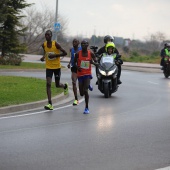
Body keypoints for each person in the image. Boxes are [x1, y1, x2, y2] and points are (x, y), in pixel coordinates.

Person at [40, 30, 68, 110]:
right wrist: (43, 57)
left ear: (51, 36)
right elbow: (45, 52)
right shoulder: (44, 44)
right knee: (48, 84)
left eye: (48, 35)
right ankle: (50, 104)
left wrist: (55, 55)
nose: (47, 36)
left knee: (57, 85)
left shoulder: (55, 44)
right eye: (45, 35)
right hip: (49, 67)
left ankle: (65, 86)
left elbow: (65, 53)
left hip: (57, 67)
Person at [74, 40, 98, 114]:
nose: (84, 45)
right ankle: (88, 85)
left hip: (87, 74)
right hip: (80, 74)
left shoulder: (90, 53)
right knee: (81, 93)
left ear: (88, 45)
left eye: (85, 44)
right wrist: (77, 67)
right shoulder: (78, 54)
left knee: (85, 90)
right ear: (81, 45)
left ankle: (86, 108)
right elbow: (74, 62)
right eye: (82, 44)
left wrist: (93, 62)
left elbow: (96, 62)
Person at [67, 39, 82, 106]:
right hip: (74, 67)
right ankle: (76, 99)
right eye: (73, 42)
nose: (74, 43)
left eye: (76, 42)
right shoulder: (72, 50)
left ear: (78, 43)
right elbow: (72, 58)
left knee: (82, 84)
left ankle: (87, 85)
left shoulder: (81, 48)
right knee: (74, 82)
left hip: (81, 67)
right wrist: (69, 63)